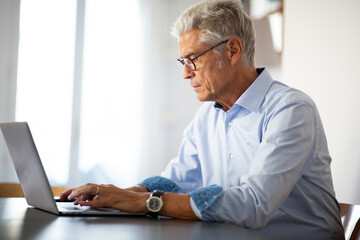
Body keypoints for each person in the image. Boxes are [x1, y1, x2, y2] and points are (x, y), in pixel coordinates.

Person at [60, 0, 344, 239]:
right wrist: (115, 196)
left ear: (232, 51)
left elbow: (253, 206)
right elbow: (175, 182)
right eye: (183, 62)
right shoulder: (207, 116)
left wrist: (136, 201)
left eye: (192, 59)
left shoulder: (290, 110)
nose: (185, 73)